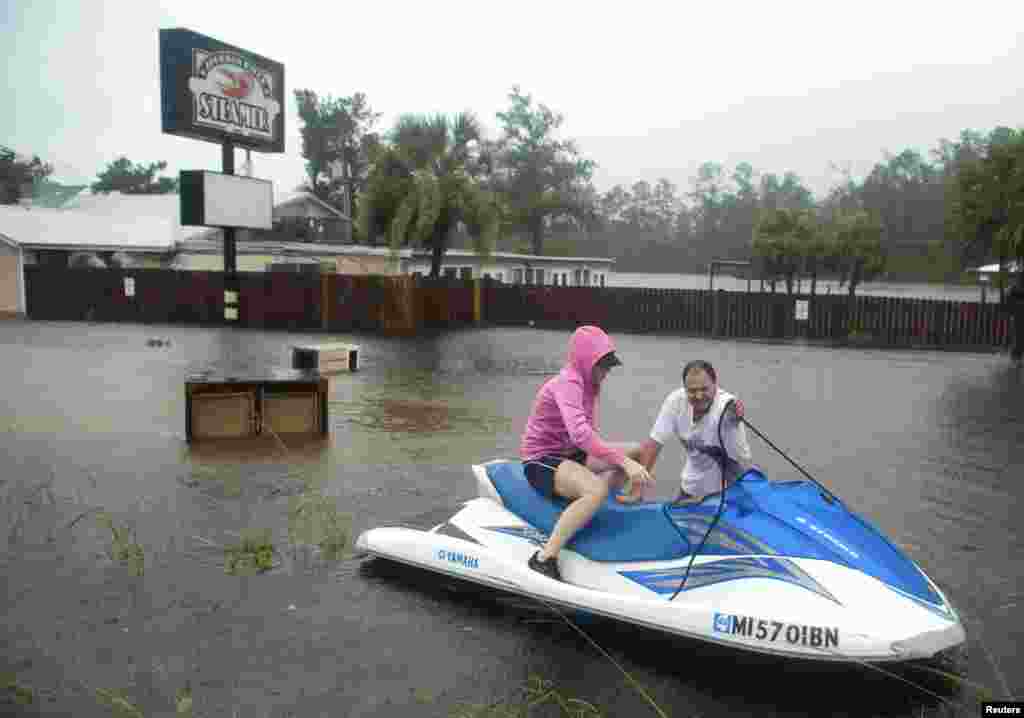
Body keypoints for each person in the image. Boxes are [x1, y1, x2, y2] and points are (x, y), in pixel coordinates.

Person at [520, 325, 654, 581]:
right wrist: (622, 462)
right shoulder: (568, 382)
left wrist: (626, 460)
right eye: (603, 366)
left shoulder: (590, 385)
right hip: (543, 459)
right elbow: (580, 434)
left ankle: (596, 506)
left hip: (571, 454)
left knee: (636, 451)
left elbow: (587, 435)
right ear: (586, 362)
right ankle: (544, 557)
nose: (607, 373)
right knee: (597, 488)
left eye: (609, 367)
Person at [634, 360, 752, 502]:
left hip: (734, 487)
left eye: (704, 389)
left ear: (715, 385)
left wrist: (736, 411)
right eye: (692, 391)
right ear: (684, 388)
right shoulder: (675, 401)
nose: (699, 396)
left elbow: (732, 411)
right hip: (693, 485)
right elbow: (654, 444)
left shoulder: (725, 405)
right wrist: (638, 488)